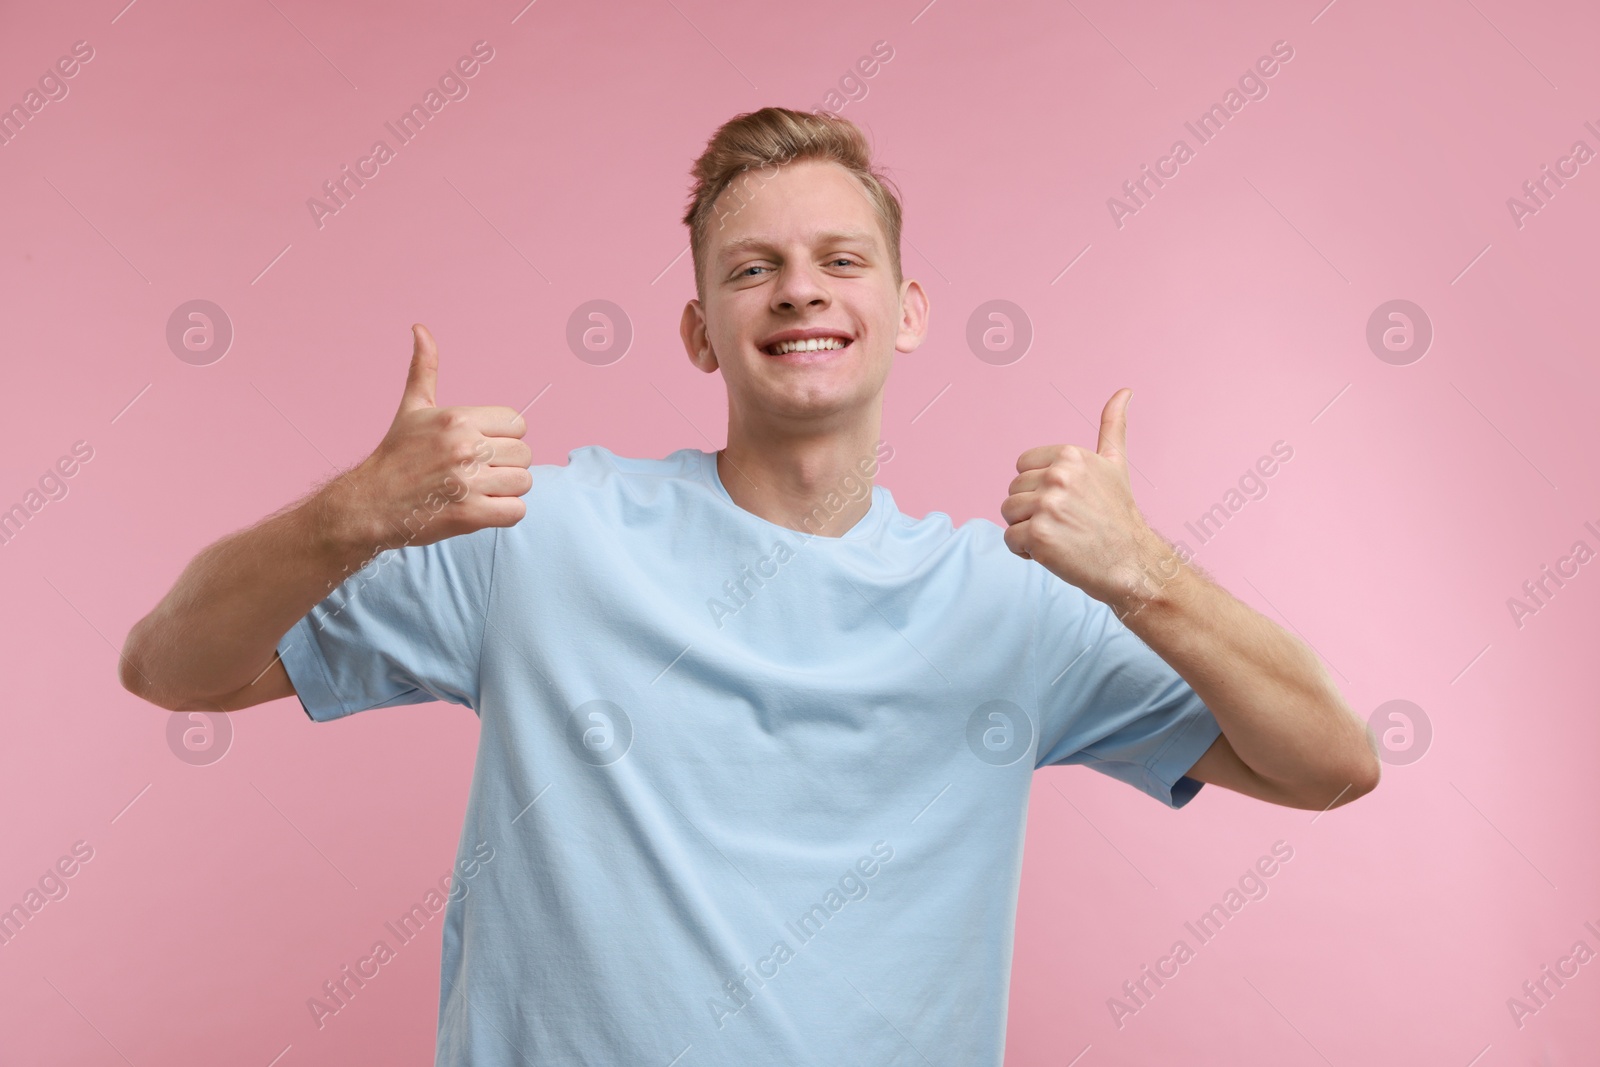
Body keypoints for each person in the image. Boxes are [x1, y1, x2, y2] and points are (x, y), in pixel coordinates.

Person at [120, 106, 1379, 1065]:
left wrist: (1147, 574)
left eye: (841, 259)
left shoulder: (1012, 601)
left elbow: (1329, 761)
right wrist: (345, 517)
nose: (799, 290)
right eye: (750, 268)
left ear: (905, 310)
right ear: (700, 330)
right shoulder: (538, 537)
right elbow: (170, 666)